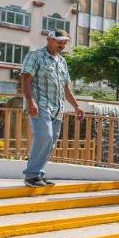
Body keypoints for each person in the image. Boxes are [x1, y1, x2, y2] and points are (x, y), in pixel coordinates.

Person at [19, 29, 84, 187]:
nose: (62, 45)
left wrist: (76, 106)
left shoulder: (62, 61)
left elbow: (66, 88)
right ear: (49, 39)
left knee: (51, 142)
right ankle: (31, 175)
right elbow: (26, 79)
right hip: (40, 104)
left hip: (58, 108)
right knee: (44, 136)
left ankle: (39, 174)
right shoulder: (35, 55)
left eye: (64, 42)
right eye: (59, 41)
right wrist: (30, 101)